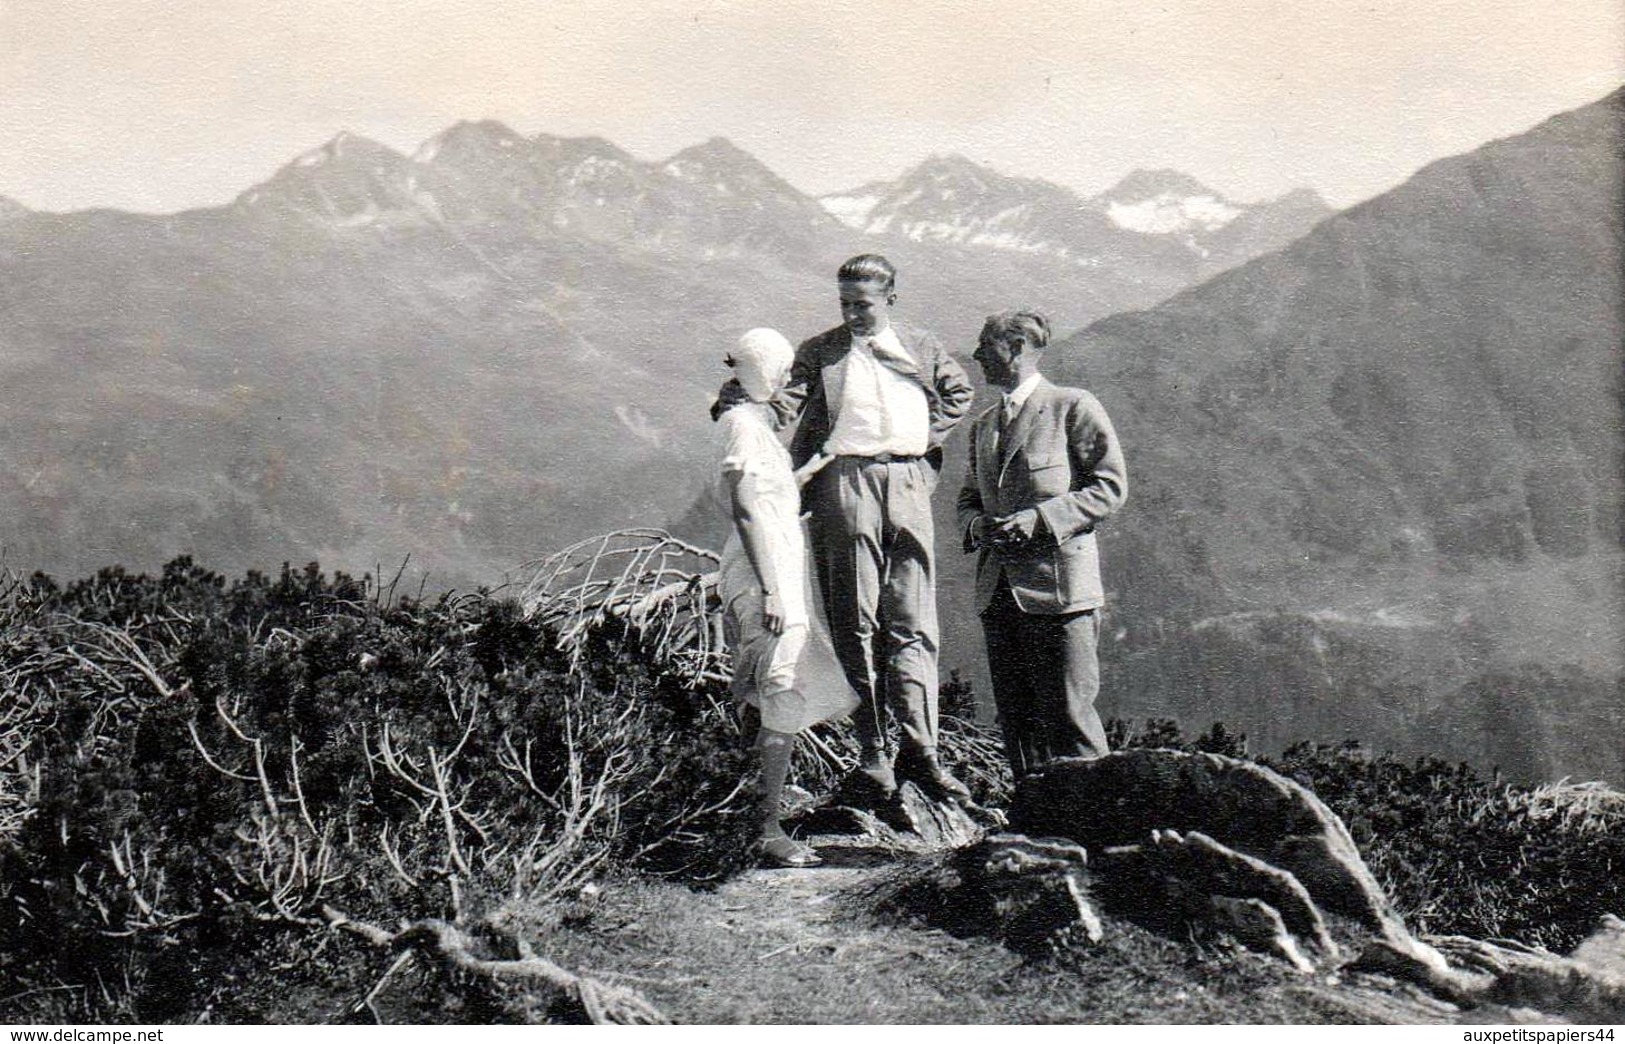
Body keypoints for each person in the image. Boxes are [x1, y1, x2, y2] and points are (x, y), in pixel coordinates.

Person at [773, 254, 975, 803]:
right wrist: (746, 402)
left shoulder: (922, 345)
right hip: (845, 482)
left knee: (914, 620)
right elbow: (784, 405)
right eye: (844, 303)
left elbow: (960, 393)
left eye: (862, 304)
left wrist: (924, 438)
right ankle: (874, 754)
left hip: (908, 482)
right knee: (855, 620)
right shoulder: (821, 351)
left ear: (891, 297)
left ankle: (921, 751)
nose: (852, 314)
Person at [957, 310, 1128, 778]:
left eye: (984, 345)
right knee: (1018, 725)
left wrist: (1039, 519)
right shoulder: (983, 426)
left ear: (1014, 348)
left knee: (1071, 718)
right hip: (998, 594)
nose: (975, 354)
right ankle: (1034, 828)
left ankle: (1097, 833)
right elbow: (968, 499)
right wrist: (977, 528)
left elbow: (1109, 488)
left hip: (1060, 593)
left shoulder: (1073, 407)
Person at [715, 328, 859, 867]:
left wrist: (815, 466)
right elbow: (747, 508)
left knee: (770, 690)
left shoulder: (749, 425)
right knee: (780, 689)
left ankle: (745, 815)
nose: (785, 380)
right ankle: (765, 828)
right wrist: (773, 588)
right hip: (765, 577)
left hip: (770, 572)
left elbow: (769, 497)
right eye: (778, 370)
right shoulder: (743, 428)